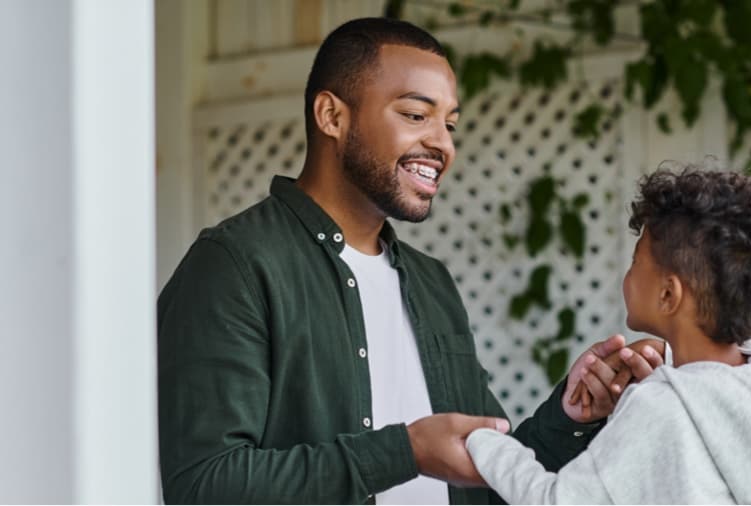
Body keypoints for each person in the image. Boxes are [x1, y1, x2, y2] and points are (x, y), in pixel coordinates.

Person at [157, 17, 661, 504]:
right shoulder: (234, 267)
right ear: (332, 116)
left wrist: (570, 416)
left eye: (450, 123)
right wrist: (405, 452)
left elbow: (488, 480)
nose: (442, 143)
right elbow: (204, 486)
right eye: (416, 115)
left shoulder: (430, 281)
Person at [466, 167, 751, 504]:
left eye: (636, 261)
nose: (628, 273)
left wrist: (483, 444)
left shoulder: (658, 406)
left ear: (668, 294)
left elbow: (556, 501)